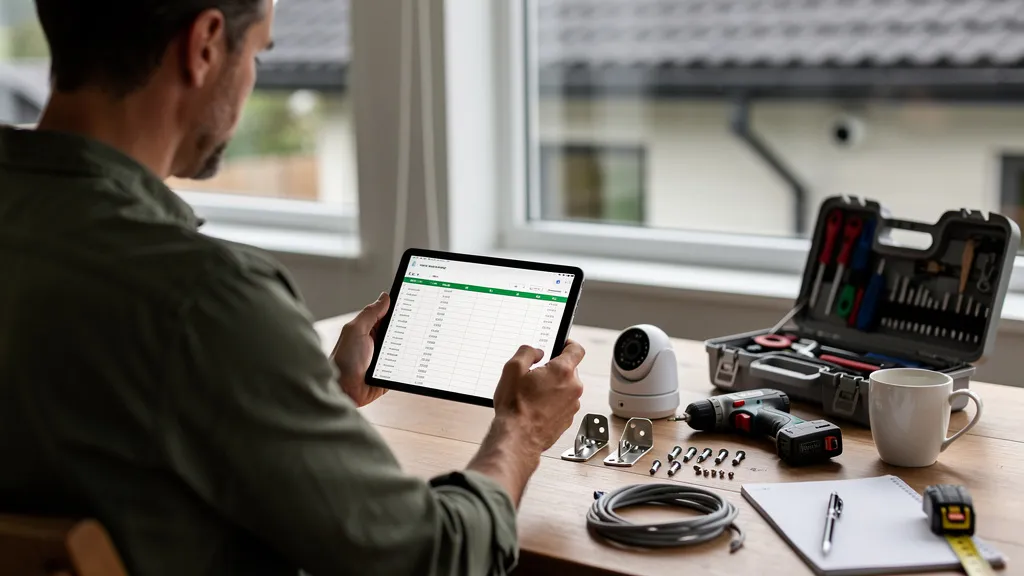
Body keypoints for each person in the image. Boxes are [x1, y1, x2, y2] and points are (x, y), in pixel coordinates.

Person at [0, 1, 586, 575]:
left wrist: (307, 395)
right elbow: (428, 555)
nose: (253, 79)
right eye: (258, 52)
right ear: (204, 45)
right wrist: (522, 431)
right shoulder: (203, 298)